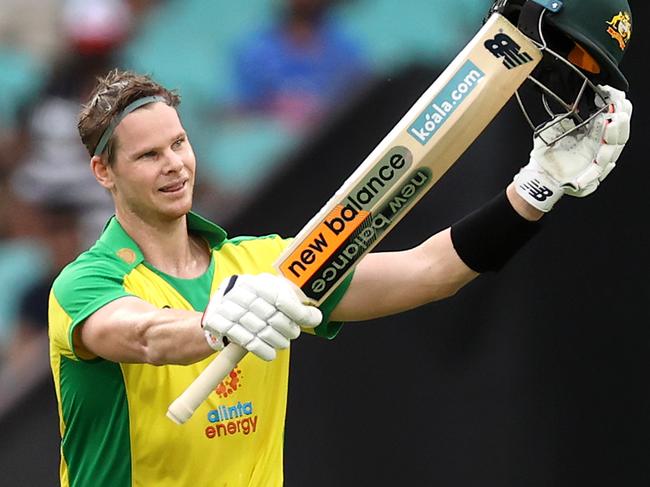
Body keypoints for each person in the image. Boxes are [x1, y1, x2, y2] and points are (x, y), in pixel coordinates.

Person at [48, 1, 633, 485]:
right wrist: (212, 323)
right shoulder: (86, 283)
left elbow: (429, 272)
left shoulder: (262, 265)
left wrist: (535, 190)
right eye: (149, 155)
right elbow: (144, 336)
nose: (174, 164)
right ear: (105, 172)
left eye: (178, 143)